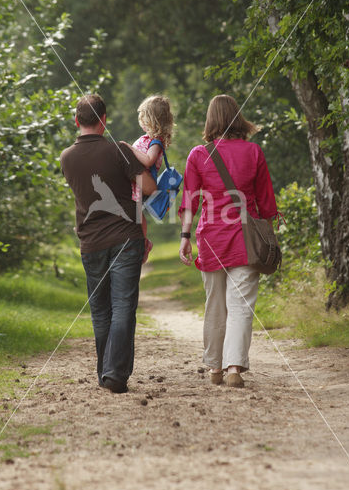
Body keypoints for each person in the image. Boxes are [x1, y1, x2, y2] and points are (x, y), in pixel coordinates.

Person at [178, 94, 278, 388]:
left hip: (211, 238)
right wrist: (268, 240)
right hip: (245, 239)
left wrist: (185, 237)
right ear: (238, 119)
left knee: (215, 304)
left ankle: (214, 368)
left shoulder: (198, 154)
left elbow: (190, 201)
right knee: (241, 306)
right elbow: (266, 202)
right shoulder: (253, 152)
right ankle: (233, 366)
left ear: (210, 120)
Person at [60, 94, 157, 394]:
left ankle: (105, 371)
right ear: (104, 120)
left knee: (100, 311)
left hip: (90, 243)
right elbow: (150, 189)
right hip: (126, 239)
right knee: (123, 306)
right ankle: (115, 374)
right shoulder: (119, 151)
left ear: (77, 121)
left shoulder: (66, 157)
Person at [121, 95, 174, 263]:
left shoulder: (156, 141)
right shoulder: (149, 139)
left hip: (143, 183)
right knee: (136, 213)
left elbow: (149, 160)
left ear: (152, 120)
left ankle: (143, 244)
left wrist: (129, 148)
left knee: (137, 214)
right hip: (136, 181)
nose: (140, 122)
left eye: (143, 118)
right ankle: (141, 242)